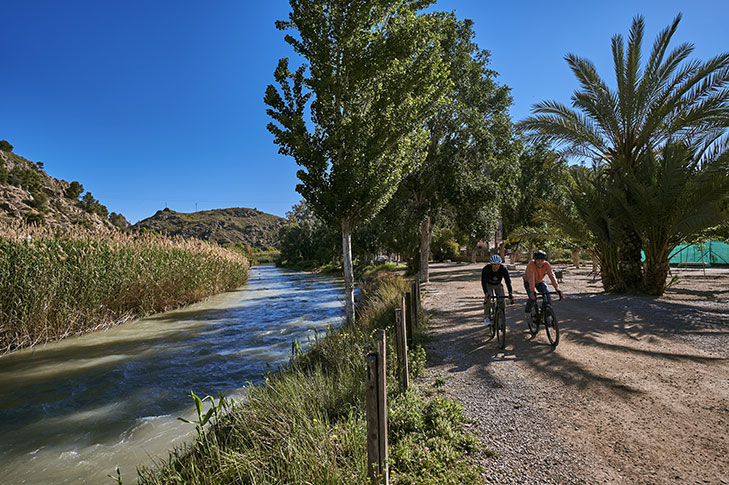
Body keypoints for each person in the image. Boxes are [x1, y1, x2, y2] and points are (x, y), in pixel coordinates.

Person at [523, 250, 563, 320]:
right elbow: (531, 278)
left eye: (542, 260)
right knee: (532, 298)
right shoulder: (531, 265)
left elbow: (551, 276)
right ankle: (528, 312)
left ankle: (548, 316)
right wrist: (532, 291)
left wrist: (557, 288)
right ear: (535, 260)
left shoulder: (546, 264)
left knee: (548, 296)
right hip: (528, 281)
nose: (540, 262)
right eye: (538, 260)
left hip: (539, 281)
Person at [481, 254, 514, 326]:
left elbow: (508, 281)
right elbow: (483, 281)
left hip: (498, 285)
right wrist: (486, 292)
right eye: (494, 264)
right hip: (488, 285)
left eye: (497, 265)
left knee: (502, 299)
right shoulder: (486, 269)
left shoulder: (503, 269)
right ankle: (486, 316)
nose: (496, 267)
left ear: (500, 264)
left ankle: (501, 315)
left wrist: (510, 293)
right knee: (488, 299)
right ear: (491, 264)